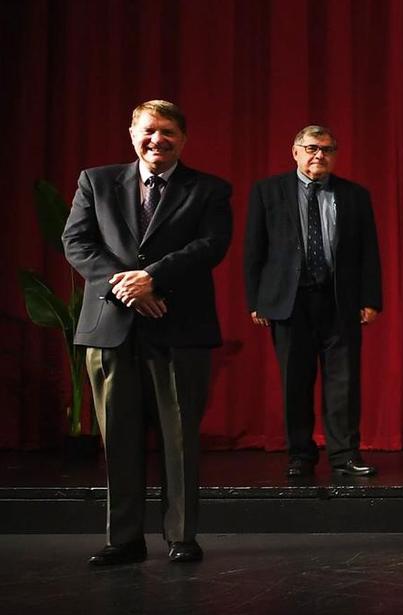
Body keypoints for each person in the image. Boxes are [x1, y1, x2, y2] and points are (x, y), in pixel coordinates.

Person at [62, 100, 232, 565]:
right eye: (149, 130)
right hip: (111, 327)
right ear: (133, 132)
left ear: (183, 139)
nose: (158, 140)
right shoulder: (95, 182)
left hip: (179, 328)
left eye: (169, 133)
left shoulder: (209, 190)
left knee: (180, 439)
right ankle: (125, 540)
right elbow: (76, 242)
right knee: (117, 436)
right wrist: (128, 287)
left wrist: (153, 277)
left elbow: (211, 246)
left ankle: (181, 536)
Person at [244, 125, 383, 481]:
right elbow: (254, 249)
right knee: (295, 382)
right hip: (289, 302)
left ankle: (344, 455)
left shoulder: (354, 195)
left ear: (335, 155)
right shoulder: (267, 191)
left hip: (340, 302)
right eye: (311, 148)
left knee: (344, 382)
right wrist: (256, 300)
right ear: (295, 152)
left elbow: (369, 252)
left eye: (327, 149)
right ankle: (300, 456)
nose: (319, 155)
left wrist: (371, 298)